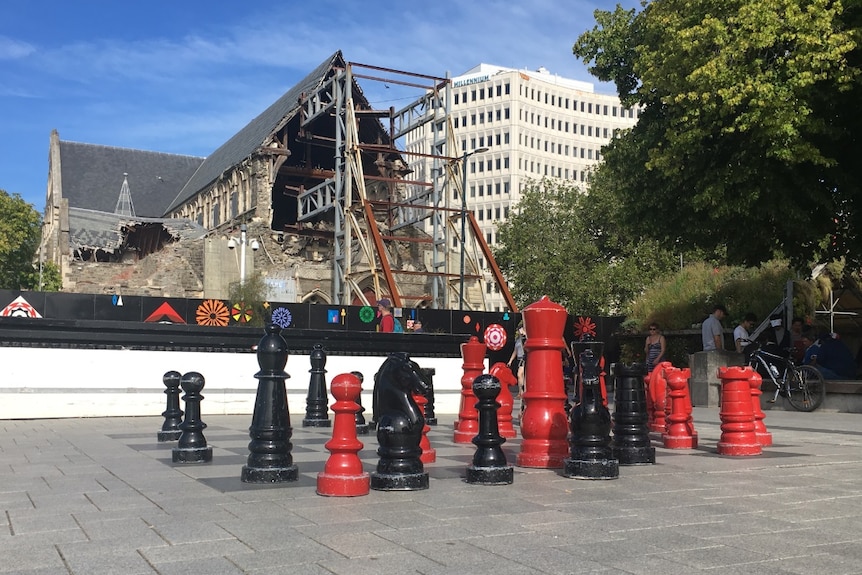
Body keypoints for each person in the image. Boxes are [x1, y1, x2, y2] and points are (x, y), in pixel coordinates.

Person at [508, 323, 526, 399]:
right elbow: (515, 351)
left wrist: (524, 335)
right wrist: (510, 361)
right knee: (520, 376)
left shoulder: (525, 338)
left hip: (524, 358)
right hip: (519, 358)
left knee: (520, 374)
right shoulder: (518, 340)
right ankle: (521, 391)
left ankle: (522, 391)